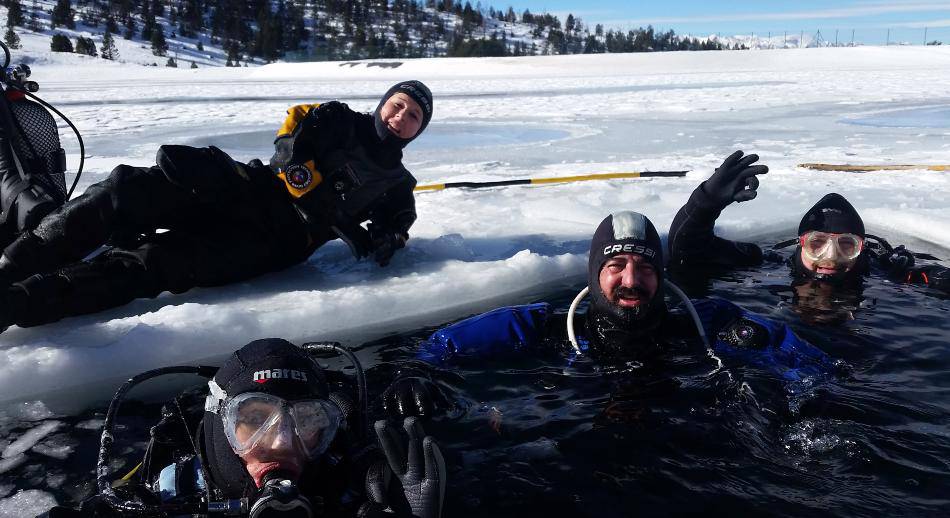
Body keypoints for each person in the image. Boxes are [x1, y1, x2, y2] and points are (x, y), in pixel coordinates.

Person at [0, 81, 433, 331]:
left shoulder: (398, 184)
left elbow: (398, 224)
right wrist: (332, 212)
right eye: (398, 105)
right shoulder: (334, 117)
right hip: (246, 187)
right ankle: (14, 263)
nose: (400, 117)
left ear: (417, 130)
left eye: (413, 116)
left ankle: (17, 303)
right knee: (123, 192)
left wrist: (384, 238)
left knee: (155, 264)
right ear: (384, 103)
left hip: (275, 240)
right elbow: (290, 150)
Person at [383, 210, 838, 418]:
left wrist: (807, 384)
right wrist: (413, 371)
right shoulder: (548, 327)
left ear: (661, 275)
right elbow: (441, 345)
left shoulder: (703, 322)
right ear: (594, 274)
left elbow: (801, 355)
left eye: (644, 267)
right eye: (616, 266)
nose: (630, 279)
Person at [44, 338, 446, 518]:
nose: (280, 441)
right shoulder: (164, 499)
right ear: (220, 423)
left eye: (307, 421)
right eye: (254, 419)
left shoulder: (360, 493)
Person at [666, 151, 950, 322]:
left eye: (846, 245)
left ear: (861, 249)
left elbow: (930, 278)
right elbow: (687, 250)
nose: (830, 258)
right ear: (800, 243)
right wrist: (704, 204)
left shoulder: (886, 272)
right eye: (817, 243)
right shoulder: (767, 264)